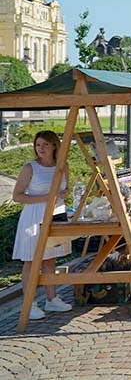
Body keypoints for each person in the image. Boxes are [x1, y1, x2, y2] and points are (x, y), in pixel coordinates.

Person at [13, 131, 73, 321]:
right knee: (31, 260)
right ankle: (29, 303)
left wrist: (64, 194)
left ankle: (51, 298)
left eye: (45, 144)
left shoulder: (62, 166)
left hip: (56, 214)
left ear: (54, 145)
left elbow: (66, 188)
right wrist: (46, 198)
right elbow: (18, 195)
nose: (41, 148)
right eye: (38, 145)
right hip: (34, 215)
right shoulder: (30, 168)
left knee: (50, 258)